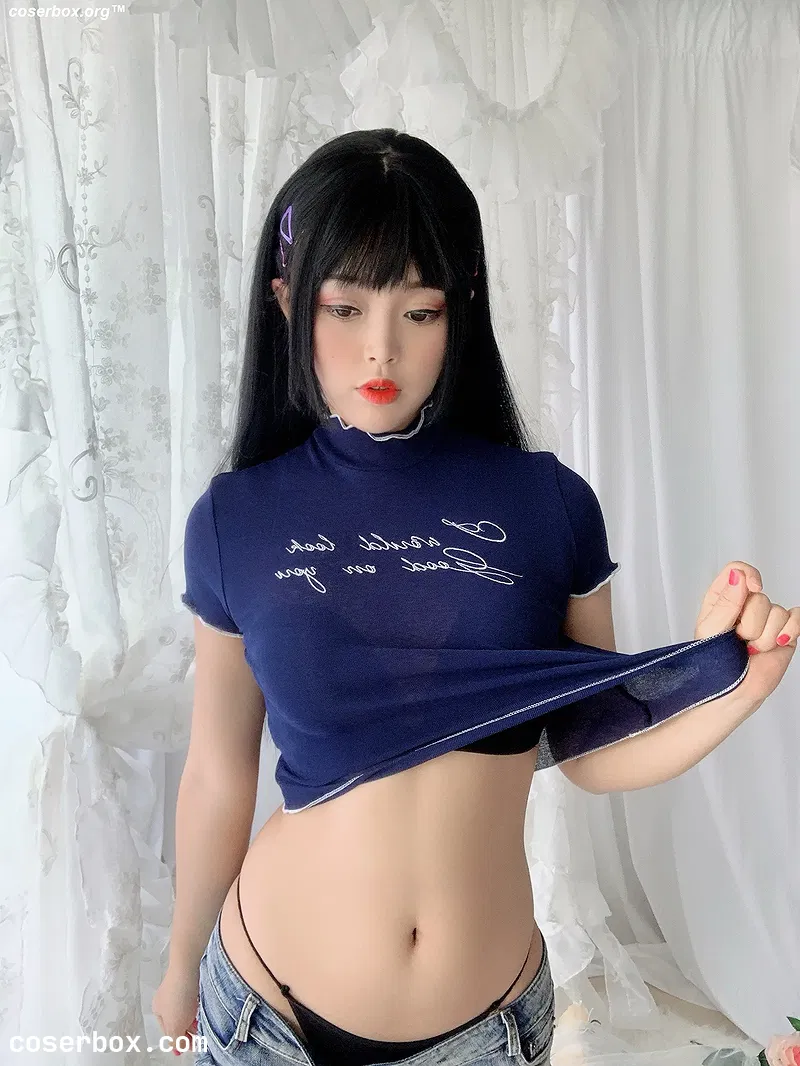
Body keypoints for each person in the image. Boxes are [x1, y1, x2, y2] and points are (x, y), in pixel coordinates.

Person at [152, 129, 798, 1066]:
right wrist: (180, 966)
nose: (381, 348)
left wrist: (738, 683)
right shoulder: (234, 518)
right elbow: (219, 773)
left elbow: (591, 746)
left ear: (460, 309)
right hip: (264, 1015)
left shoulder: (548, 503)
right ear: (289, 301)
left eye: (419, 311)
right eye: (344, 307)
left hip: (485, 1033)